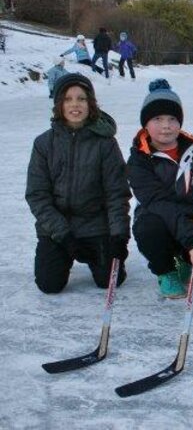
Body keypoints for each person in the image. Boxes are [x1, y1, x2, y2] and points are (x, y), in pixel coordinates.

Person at [26, 73, 130, 294]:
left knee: (110, 280)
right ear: (59, 104)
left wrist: (119, 236)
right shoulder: (43, 143)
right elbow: (37, 195)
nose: (75, 104)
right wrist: (64, 235)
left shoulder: (105, 143)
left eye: (81, 98)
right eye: (68, 99)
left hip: (95, 224)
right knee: (49, 285)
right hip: (57, 229)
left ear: (90, 103)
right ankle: (62, 255)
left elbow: (117, 193)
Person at [127, 79, 193, 299]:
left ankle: (183, 259)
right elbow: (159, 203)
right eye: (157, 119)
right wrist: (191, 238)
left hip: (191, 219)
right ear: (145, 124)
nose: (166, 125)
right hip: (159, 219)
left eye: (172, 119)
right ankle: (166, 270)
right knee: (149, 228)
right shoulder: (139, 160)